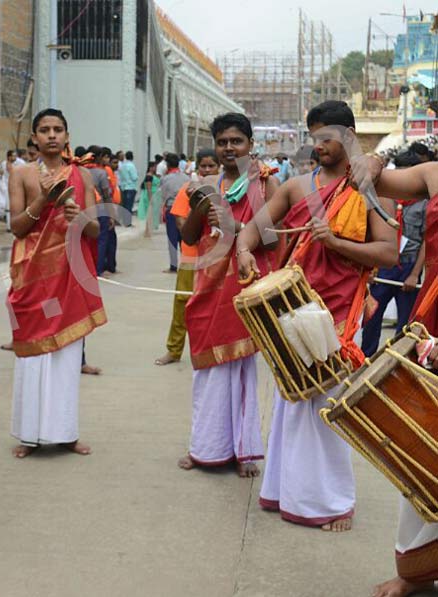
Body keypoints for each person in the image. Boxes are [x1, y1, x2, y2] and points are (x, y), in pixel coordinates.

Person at [236, 100, 398, 532]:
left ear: (348, 136)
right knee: (293, 397)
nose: (319, 146)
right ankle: (285, 490)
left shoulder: (370, 188)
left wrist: (337, 243)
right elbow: (253, 230)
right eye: (314, 138)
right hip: (295, 307)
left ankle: (330, 502)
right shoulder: (296, 186)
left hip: (341, 311)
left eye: (327, 137)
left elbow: (388, 252)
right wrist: (243, 252)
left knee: (327, 404)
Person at [175, 115, 278, 476]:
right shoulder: (205, 184)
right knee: (206, 373)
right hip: (208, 287)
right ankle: (204, 447)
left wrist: (235, 228)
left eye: (237, 141)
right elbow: (188, 237)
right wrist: (203, 206)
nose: (229, 148)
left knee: (241, 373)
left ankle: (245, 452)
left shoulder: (266, 184)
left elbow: (274, 239)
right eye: (223, 142)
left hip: (245, 289)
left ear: (250, 144)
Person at [362, 139, 438, 597]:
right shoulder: (432, 172)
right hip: (433, 320)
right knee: (422, 441)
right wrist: (378, 157)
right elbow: (374, 180)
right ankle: (417, 570)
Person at [7, 108, 106, 459]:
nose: (51, 135)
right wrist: (43, 200)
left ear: (67, 135)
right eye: (44, 130)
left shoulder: (83, 176)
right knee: (32, 355)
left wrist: (79, 217)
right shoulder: (20, 174)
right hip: (33, 275)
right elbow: (16, 226)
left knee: (65, 358)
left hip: (68, 275)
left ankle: (66, 432)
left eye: (58, 129)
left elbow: (96, 230)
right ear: (34, 137)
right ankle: (28, 434)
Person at [154, 149, 219, 367]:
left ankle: (211, 350)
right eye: (203, 166)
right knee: (182, 304)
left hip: (218, 261)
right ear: (196, 168)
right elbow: (183, 227)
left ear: (218, 167)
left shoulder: (227, 190)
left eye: (212, 166)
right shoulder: (186, 190)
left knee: (214, 306)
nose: (207, 170)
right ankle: (174, 350)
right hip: (191, 259)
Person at [360, 151, 425, 357]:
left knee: (406, 324)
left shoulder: (424, 202)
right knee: (371, 315)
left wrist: (414, 274)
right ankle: (365, 358)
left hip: (408, 266)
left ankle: (397, 363)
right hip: (384, 270)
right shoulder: (383, 197)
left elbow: (427, 241)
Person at [82, 145, 116, 276]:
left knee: (87, 240)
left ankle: (88, 266)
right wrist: (111, 214)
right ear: (100, 158)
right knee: (102, 239)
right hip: (101, 209)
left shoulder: (81, 171)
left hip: (85, 208)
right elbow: (107, 195)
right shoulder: (102, 173)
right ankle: (98, 268)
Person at [160, 153, 189, 272]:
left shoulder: (165, 179)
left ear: (167, 165)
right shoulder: (186, 178)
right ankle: (186, 262)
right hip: (185, 209)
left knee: (172, 238)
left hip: (171, 209)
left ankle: (173, 265)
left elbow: (164, 197)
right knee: (184, 237)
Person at [119, 150, 139, 228]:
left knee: (124, 205)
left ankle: (124, 221)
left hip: (123, 187)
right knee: (129, 206)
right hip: (131, 187)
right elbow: (134, 177)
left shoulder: (122, 166)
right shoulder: (131, 166)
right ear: (132, 157)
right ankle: (128, 222)